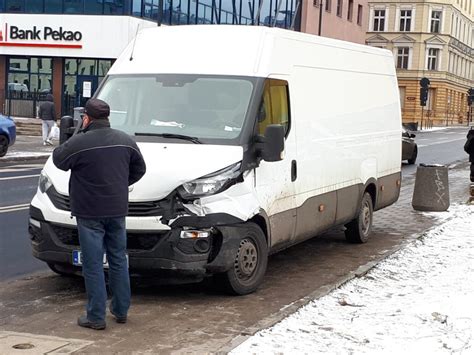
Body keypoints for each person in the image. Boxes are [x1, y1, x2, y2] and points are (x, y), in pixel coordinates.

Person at [53, 98, 146, 330]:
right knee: (118, 259)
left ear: (86, 118)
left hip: (89, 212)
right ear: (107, 117)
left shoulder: (81, 142)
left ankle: (95, 316)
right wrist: (119, 186)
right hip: (117, 210)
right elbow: (139, 169)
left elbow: (58, 159)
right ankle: (121, 310)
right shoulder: (125, 140)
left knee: (93, 264)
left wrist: (76, 133)